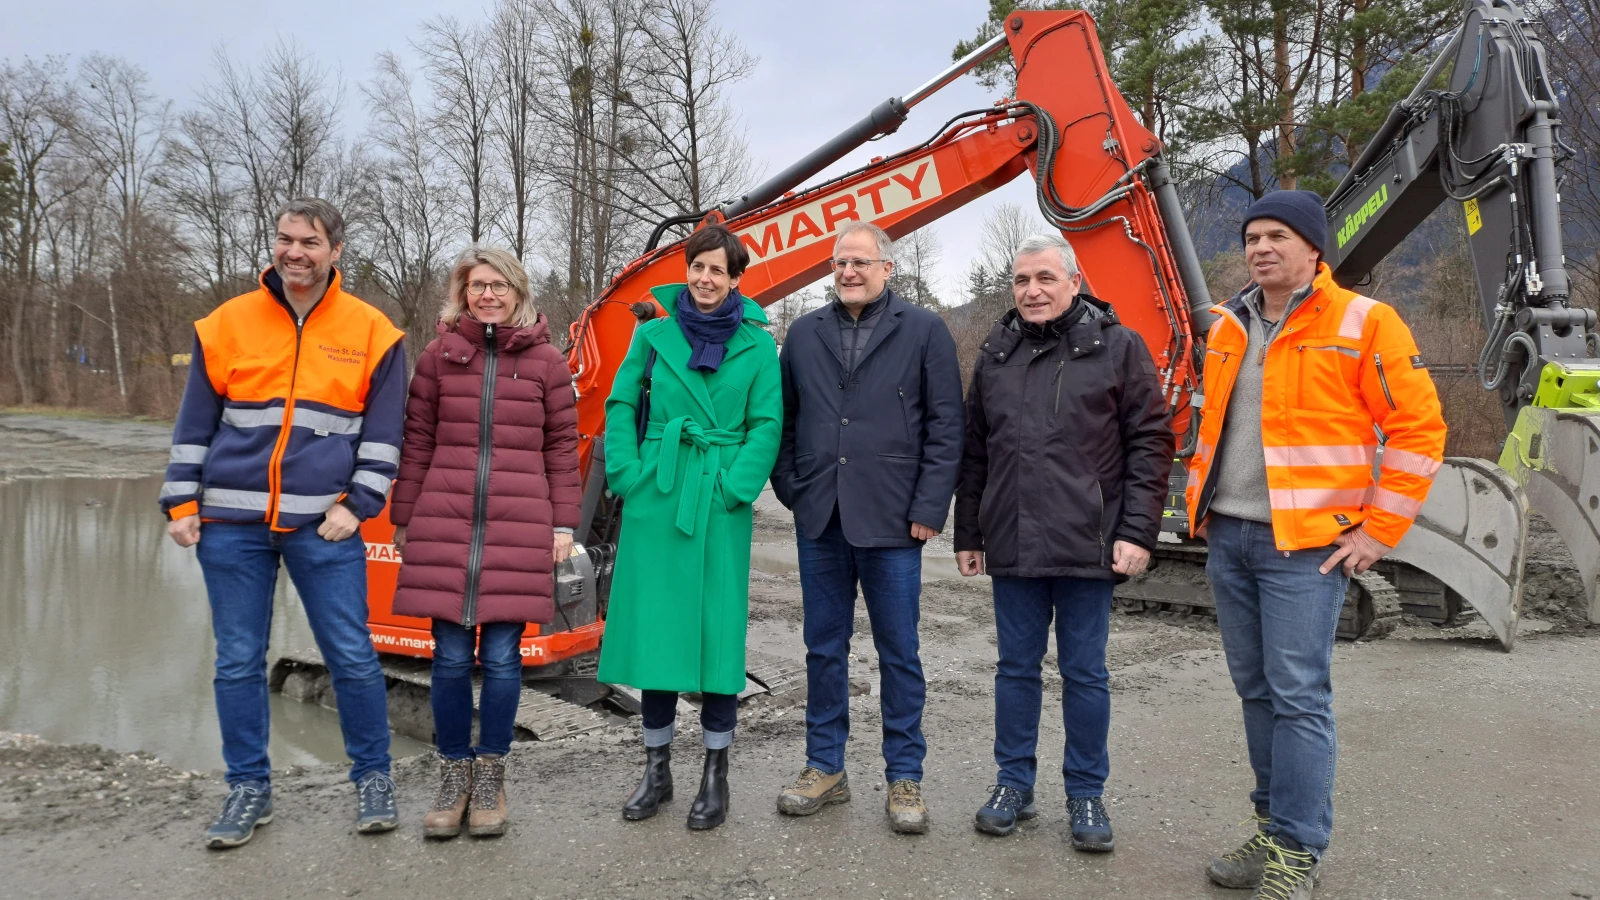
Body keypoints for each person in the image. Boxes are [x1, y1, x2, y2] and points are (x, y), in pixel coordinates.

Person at [1187, 190, 1446, 899]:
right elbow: (1210, 428)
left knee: (1299, 696)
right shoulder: (1228, 326)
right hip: (1231, 537)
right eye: (1252, 237)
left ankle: (1298, 850)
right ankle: (1272, 831)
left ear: (1313, 248)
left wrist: (1377, 531)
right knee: (1256, 692)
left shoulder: (1365, 322)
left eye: (1277, 236)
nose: (1261, 248)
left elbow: (1420, 431)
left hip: (1306, 549)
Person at [160, 198, 406, 849]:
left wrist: (355, 507)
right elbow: (193, 427)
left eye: (310, 242)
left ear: (336, 251)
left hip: (322, 526)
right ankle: (248, 788)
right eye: (286, 238)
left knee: (352, 656)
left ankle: (374, 779)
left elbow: (384, 441)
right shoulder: (225, 324)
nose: (294, 251)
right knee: (238, 660)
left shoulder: (374, 332)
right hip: (232, 526)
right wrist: (181, 504)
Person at [954, 233, 1172, 851]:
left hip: (1089, 542)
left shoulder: (1118, 348)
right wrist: (969, 531)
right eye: (1022, 281)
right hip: (1013, 542)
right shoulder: (996, 353)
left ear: (1074, 282)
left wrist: (1136, 531)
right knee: (1015, 669)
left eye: (1046, 278)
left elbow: (1151, 444)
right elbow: (976, 451)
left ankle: (1085, 793)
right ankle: (1012, 785)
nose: (1033, 291)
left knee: (1084, 673)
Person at [769, 221, 964, 834]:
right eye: (839, 263)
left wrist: (929, 509)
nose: (848, 272)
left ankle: (904, 775)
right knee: (823, 650)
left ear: (887, 268)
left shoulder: (926, 331)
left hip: (893, 522)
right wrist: (795, 492)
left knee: (899, 653)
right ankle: (824, 766)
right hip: (820, 517)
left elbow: (946, 426)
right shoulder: (802, 334)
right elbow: (784, 421)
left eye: (860, 262)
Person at [388, 246, 581, 840]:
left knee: (501, 658)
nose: (488, 295)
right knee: (448, 658)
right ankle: (453, 776)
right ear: (462, 293)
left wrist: (562, 526)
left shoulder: (548, 363)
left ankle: (491, 775)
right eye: (477, 286)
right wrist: (404, 514)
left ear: (518, 292)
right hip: (445, 520)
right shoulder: (438, 359)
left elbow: (560, 448)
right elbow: (416, 439)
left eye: (499, 285)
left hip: (519, 524)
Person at [596, 223, 782, 831]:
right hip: (660, 491)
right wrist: (626, 472)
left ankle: (715, 771)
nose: (706, 279)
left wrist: (736, 487)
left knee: (714, 632)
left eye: (718, 271)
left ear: (735, 280)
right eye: (698, 267)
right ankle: (656, 768)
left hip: (718, 500)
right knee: (657, 633)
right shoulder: (652, 335)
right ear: (688, 271)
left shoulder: (758, 346)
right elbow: (621, 403)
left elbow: (766, 424)